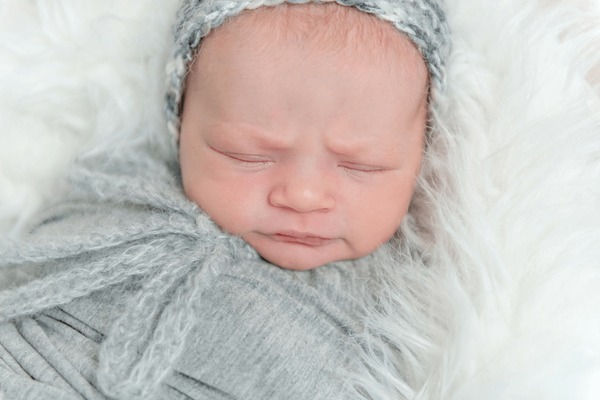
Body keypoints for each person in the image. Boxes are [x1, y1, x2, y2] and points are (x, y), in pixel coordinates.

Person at [0, 0, 450, 399]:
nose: (303, 195)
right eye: (246, 155)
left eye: (361, 165)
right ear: (182, 127)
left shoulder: (420, 310)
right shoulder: (120, 204)